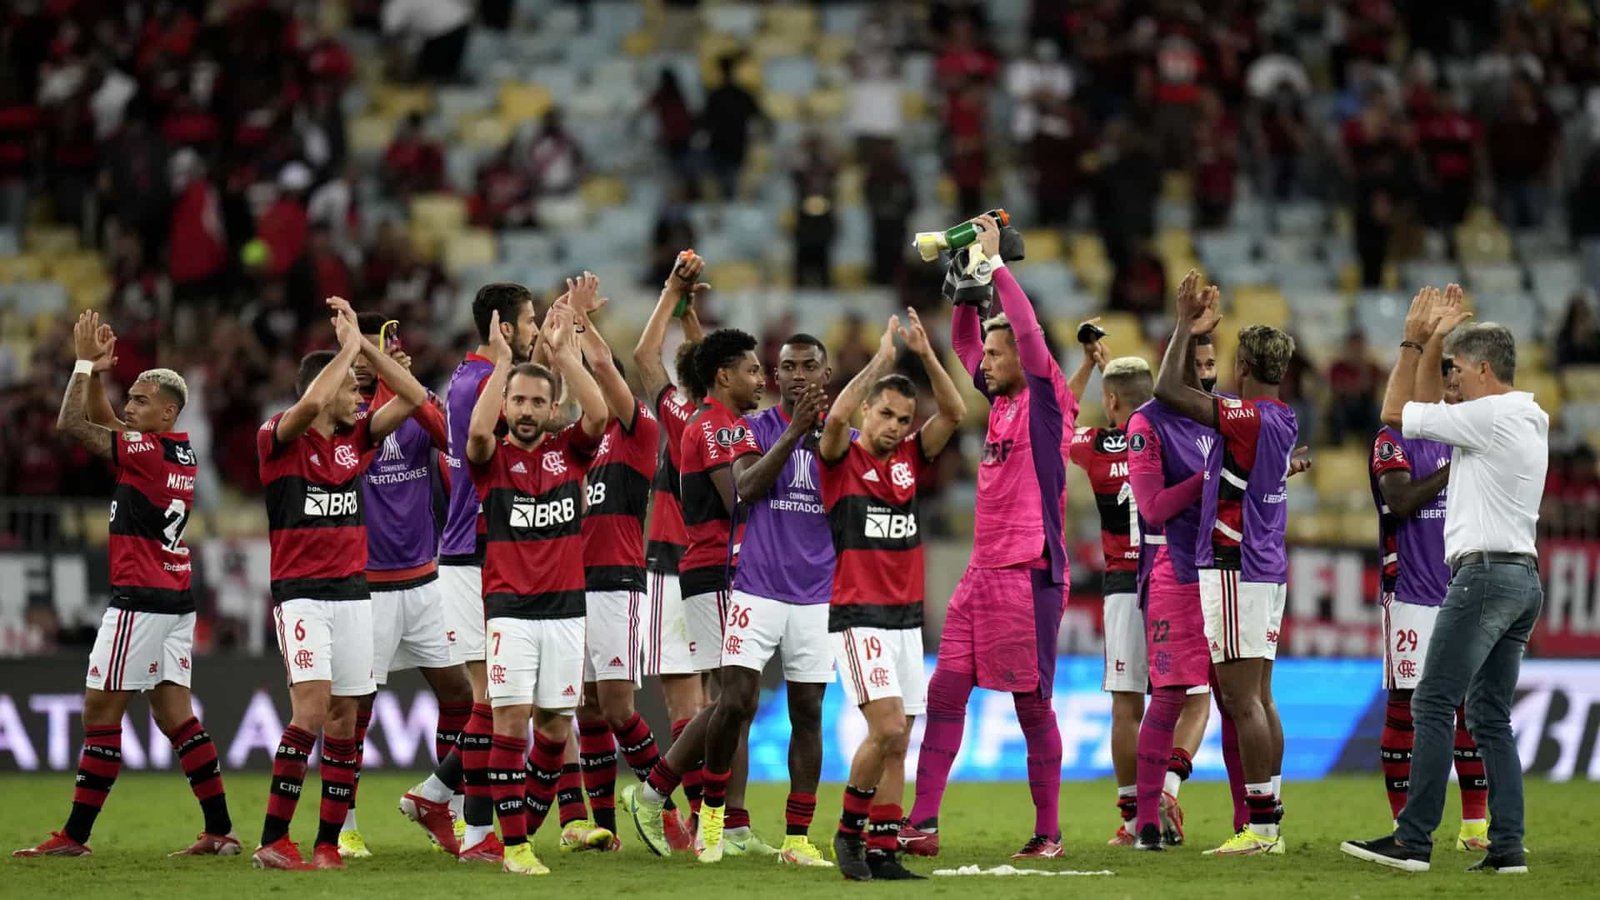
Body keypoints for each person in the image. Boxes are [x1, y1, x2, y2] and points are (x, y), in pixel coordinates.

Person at [14, 312, 237, 859]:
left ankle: (75, 837)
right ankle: (220, 831)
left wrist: (84, 363)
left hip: (139, 601)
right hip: (174, 601)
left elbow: (73, 424)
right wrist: (99, 379)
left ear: (167, 411)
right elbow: (104, 418)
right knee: (174, 715)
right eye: (129, 398)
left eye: (139, 400)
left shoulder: (146, 452)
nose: (129, 407)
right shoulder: (173, 451)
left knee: (99, 712)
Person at [1343, 285, 1548, 875]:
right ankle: (1507, 845)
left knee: (1432, 700)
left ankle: (1413, 840)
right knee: (1488, 716)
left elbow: (1394, 413)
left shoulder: (1484, 417)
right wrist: (1437, 345)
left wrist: (1416, 341)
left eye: (1457, 369)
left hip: (1482, 576)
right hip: (1522, 579)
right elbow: (1426, 413)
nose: (1450, 379)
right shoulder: (1527, 415)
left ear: (1484, 369)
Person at [908, 214, 1076, 859]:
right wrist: (967, 290)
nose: (989, 358)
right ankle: (922, 824)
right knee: (946, 689)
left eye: (998, 353)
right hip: (981, 573)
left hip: (1029, 571)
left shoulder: (1044, 398)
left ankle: (1048, 832)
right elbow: (963, 343)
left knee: (1031, 706)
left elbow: (1027, 334)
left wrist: (997, 263)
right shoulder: (1003, 399)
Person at [253, 296, 430, 870]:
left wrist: (370, 353)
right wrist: (350, 346)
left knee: (347, 719)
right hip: (302, 594)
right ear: (326, 391)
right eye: (354, 389)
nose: (362, 397)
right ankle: (274, 839)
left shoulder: (357, 442)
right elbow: (306, 406)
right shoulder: (277, 439)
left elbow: (412, 398)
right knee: (311, 710)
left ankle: (328, 843)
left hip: (355, 592)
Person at [1152, 271, 1299, 856]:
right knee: (1260, 697)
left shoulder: (1250, 416)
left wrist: (1185, 326)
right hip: (1267, 566)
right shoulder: (1284, 419)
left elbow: (1167, 391)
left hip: (1235, 563)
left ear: (1244, 366)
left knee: (1241, 701)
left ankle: (1261, 830)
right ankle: (1271, 821)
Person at [465, 294, 611, 876]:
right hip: (510, 612)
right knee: (510, 720)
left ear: (552, 409)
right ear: (506, 404)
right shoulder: (490, 456)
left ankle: (519, 822)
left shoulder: (567, 452)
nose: (526, 410)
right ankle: (517, 847)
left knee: (554, 727)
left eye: (537, 401)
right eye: (518, 401)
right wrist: (505, 365)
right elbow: (476, 433)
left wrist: (562, 353)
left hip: (566, 612)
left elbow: (598, 415)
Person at [823, 312, 965, 881]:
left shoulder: (911, 458)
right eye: (884, 413)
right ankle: (847, 836)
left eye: (903, 419)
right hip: (860, 616)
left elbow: (954, 412)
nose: (893, 426)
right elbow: (834, 417)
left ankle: (883, 849)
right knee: (884, 729)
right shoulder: (840, 457)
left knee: (900, 740)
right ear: (865, 412)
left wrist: (927, 356)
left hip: (906, 620)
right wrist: (882, 361)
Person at [336, 313, 473, 859]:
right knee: (355, 709)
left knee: (461, 695)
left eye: (389, 347)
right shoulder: (341, 413)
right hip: (367, 587)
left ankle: (449, 809)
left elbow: (445, 434)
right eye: (372, 348)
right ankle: (343, 824)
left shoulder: (418, 412)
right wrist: (381, 369)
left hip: (424, 581)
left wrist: (406, 386)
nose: (382, 356)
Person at [628, 327, 767, 861]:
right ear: (723, 376)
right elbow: (742, 501)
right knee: (731, 699)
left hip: (734, 574)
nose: (761, 379)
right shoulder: (715, 429)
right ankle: (652, 791)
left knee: (742, 704)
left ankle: (732, 823)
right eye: (752, 370)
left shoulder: (731, 425)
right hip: (713, 571)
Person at [1069, 341, 1210, 849]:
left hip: (1123, 587)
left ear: (1111, 403)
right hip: (1175, 574)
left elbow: (1055, 423)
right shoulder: (1175, 438)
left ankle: (1134, 818)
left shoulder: (1095, 446)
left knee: (1128, 707)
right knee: (1192, 697)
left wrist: (1090, 368)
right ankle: (1168, 787)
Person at [417, 282, 538, 863]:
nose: (536, 329)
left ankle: (439, 795)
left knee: (497, 697)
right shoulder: (476, 385)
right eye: (530, 321)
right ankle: (472, 829)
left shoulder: (475, 379)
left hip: (479, 551)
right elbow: (488, 447)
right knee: (494, 697)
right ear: (504, 328)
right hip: (472, 553)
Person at [704, 334, 836, 867]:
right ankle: (712, 817)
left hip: (818, 593)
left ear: (825, 375)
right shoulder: (753, 429)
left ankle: (798, 837)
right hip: (756, 587)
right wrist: (796, 431)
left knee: (808, 711)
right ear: (775, 377)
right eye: (787, 367)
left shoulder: (842, 438)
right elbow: (746, 489)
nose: (798, 374)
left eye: (808, 366)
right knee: (735, 701)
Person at [1367, 356, 1490, 851]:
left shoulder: (1469, 437)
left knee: (1470, 708)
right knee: (1405, 707)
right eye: (1449, 385)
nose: (1455, 393)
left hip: (1463, 587)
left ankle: (1476, 829)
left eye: (1457, 386)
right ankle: (1404, 826)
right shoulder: (1391, 438)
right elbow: (1400, 501)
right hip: (1412, 593)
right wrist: (1454, 468)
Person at [564, 275, 669, 853]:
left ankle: (662, 804)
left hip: (618, 580)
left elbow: (604, 368)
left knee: (617, 702)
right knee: (581, 705)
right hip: (569, 581)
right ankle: (600, 826)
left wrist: (581, 325)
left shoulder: (638, 431)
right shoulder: (580, 439)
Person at [622, 254, 712, 853]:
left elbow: (704, 367)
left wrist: (686, 313)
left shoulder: (719, 418)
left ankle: (705, 820)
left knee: (713, 704)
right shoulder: (687, 415)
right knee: (689, 700)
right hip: (668, 562)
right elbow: (644, 361)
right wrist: (675, 302)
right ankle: (682, 815)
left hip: (716, 568)